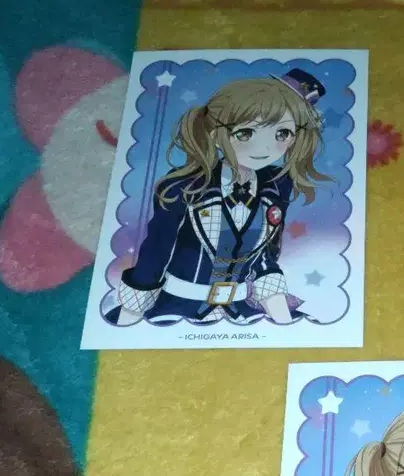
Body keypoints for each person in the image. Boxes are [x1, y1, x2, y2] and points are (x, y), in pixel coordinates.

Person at [111, 69, 328, 326]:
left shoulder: (276, 185)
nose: (265, 147)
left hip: (240, 311)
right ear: (215, 135)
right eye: (245, 134)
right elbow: (156, 253)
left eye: (282, 134)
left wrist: (282, 318)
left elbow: (265, 259)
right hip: (178, 307)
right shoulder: (184, 186)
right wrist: (131, 315)